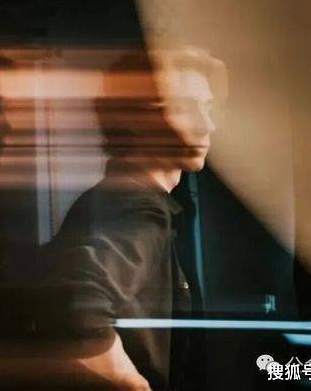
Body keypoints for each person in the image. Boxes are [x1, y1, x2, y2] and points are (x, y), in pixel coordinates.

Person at [38, 48, 225, 390]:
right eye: (184, 108)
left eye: (209, 109)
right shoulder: (137, 206)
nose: (207, 125)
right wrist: (133, 384)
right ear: (133, 119)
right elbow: (75, 313)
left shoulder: (121, 198)